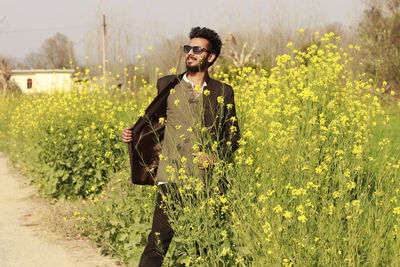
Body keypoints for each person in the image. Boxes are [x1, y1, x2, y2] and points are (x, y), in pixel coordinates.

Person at [121, 26, 240, 267]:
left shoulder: (223, 92)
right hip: (171, 177)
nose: (191, 53)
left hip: (206, 181)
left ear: (211, 57)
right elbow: (153, 123)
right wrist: (133, 134)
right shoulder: (167, 84)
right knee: (157, 244)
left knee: (205, 245)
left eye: (198, 49)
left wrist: (215, 158)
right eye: (188, 48)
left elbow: (233, 136)